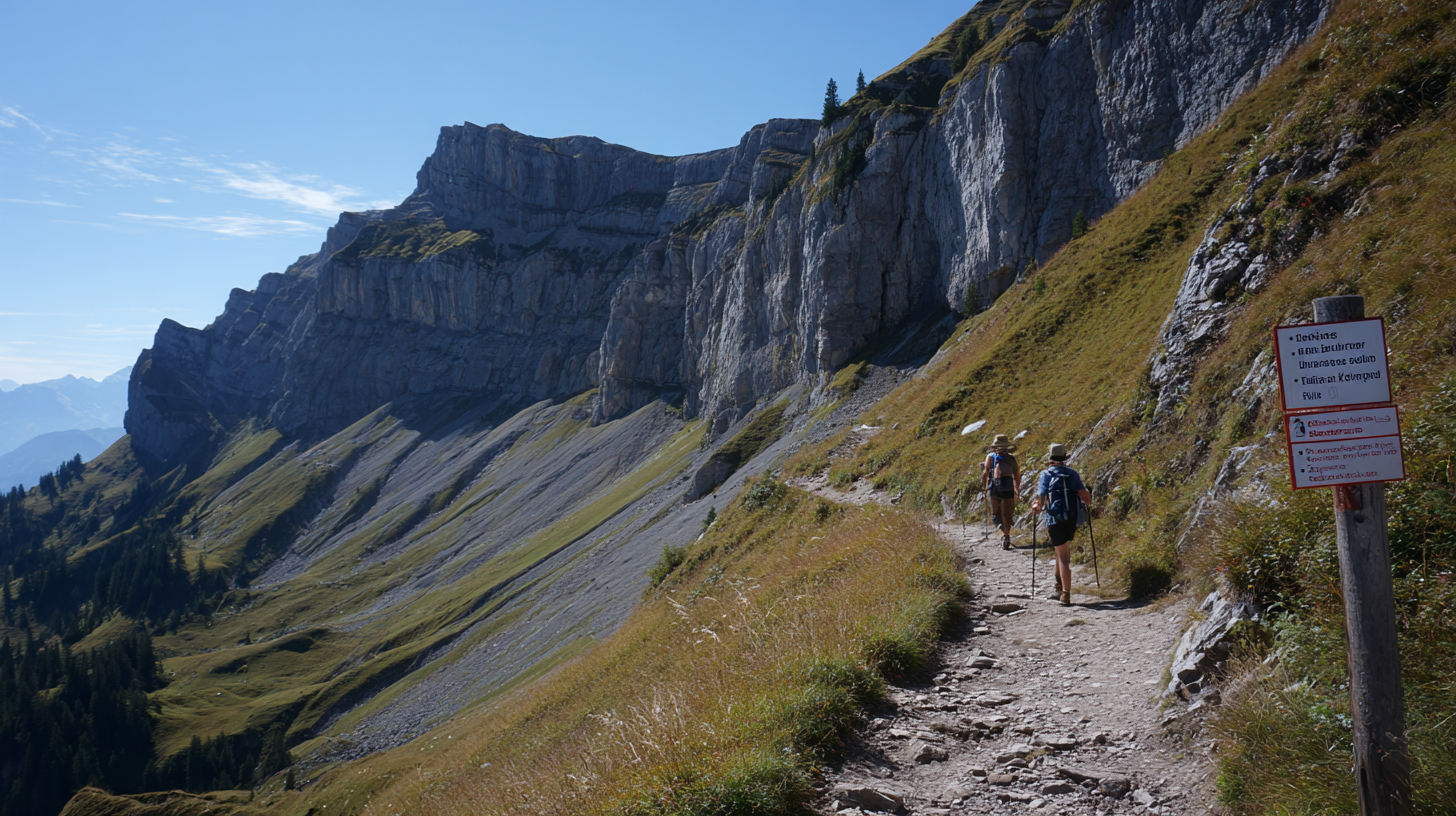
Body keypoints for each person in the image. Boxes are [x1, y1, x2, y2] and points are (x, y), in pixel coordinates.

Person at [1029, 443, 1091, 606]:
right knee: (1061, 552)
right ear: (1064, 458)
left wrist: (1036, 508)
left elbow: (1040, 501)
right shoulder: (1072, 474)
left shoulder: (1045, 474)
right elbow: (1085, 497)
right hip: (1071, 517)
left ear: (1050, 458)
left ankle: (1066, 593)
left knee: (1063, 558)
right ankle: (1058, 586)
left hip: (1054, 518)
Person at [980, 433, 1021, 550]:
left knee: (996, 512)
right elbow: (1017, 474)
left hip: (994, 488)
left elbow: (986, 472)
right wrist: (1016, 489)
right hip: (1008, 488)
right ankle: (1006, 535)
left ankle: (1001, 529)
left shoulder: (990, 457)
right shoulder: (1011, 458)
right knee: (1007, 513)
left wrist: (985, 488)